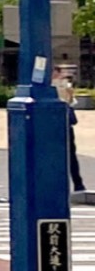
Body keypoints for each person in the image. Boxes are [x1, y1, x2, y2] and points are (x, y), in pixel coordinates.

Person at [56, 66, 86, 194]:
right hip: (60, 125)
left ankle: (77, 183)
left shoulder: (64, 87)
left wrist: (68, 93)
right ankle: (77, 184)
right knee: (69, 156)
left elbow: (70, 102)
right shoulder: (54, 87)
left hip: (63, 125)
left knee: (70, 155)